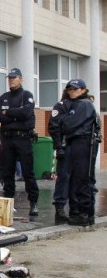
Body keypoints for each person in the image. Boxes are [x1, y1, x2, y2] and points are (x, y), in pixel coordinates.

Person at [0, 68, 39, 216]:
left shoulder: (26, 95)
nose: (11, 80)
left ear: (20, 79)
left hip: (23, 138)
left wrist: (8, 113)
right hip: (7, 139)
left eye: (14, 78)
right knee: (7, 172)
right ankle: (8, 201)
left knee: (28, 173)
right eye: (10, 78)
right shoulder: (4, 97)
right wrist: (16, 115)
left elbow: (26, 114)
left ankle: (33, 202)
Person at [60, 79, 100, 226]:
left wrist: (64, 121)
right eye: (69, 89)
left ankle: (84, 214)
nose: (72, 91)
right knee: (81, 177)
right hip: (78, 142)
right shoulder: (77, 104)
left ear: (83, 90)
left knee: (82, 178)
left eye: (75, 89)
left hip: (82, 143)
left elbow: (68, 125)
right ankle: (86, 213)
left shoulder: (83, 104)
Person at [48, 88, 70, 223]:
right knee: (64, 176)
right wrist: (58, 146)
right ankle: (60, 207)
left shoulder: (82, 106)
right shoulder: (60, 106)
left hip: (79, 147)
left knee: (78, 177)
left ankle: (76, 207)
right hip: (65, 145)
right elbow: (54, 126)